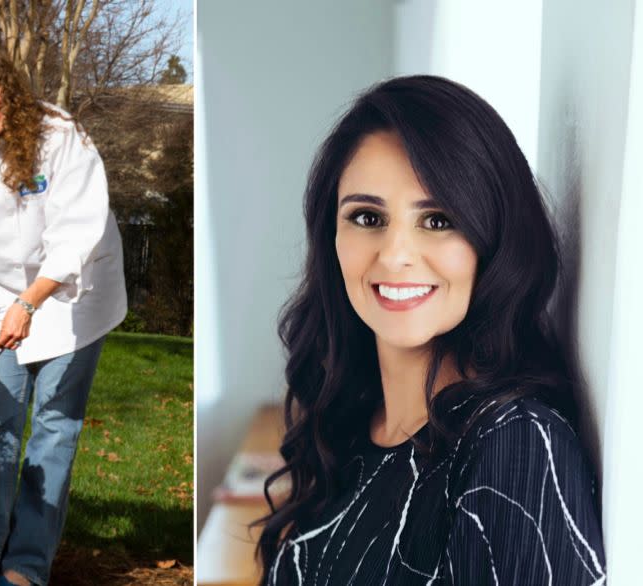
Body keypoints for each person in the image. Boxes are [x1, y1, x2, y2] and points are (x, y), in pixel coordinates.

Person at [256, 76, 606, 585]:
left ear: (494, 238)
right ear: (330, 236)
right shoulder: (347, 423)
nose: (395, 254)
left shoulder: (514, 447)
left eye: (438, 219)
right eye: (367, 216)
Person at [0, 41, 126, 586]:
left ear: (10, 87)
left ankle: (26, 564)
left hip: (76, 294)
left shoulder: (60, 137)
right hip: (2, 294)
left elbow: (77, 229)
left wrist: (31, 303)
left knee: (54, 429)